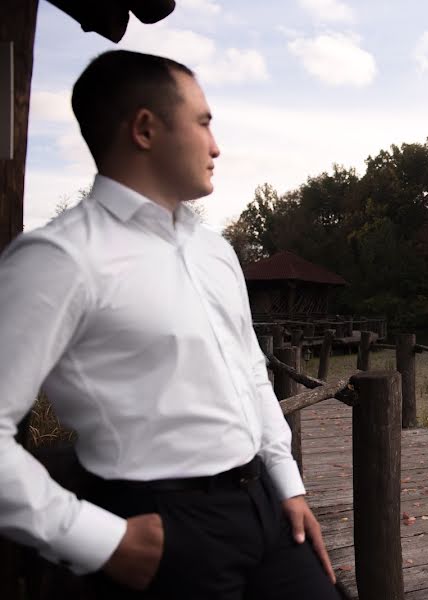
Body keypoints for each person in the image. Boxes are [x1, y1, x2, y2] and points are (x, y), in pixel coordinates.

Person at [0, 50, 341, 599]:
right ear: (144, 129)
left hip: (264, 508)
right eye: (203, 122)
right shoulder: (59, 258)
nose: (216, 144)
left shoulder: (216, 252)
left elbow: (252, 373)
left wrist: (289, 486)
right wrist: (98, 539)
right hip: (160, 527)